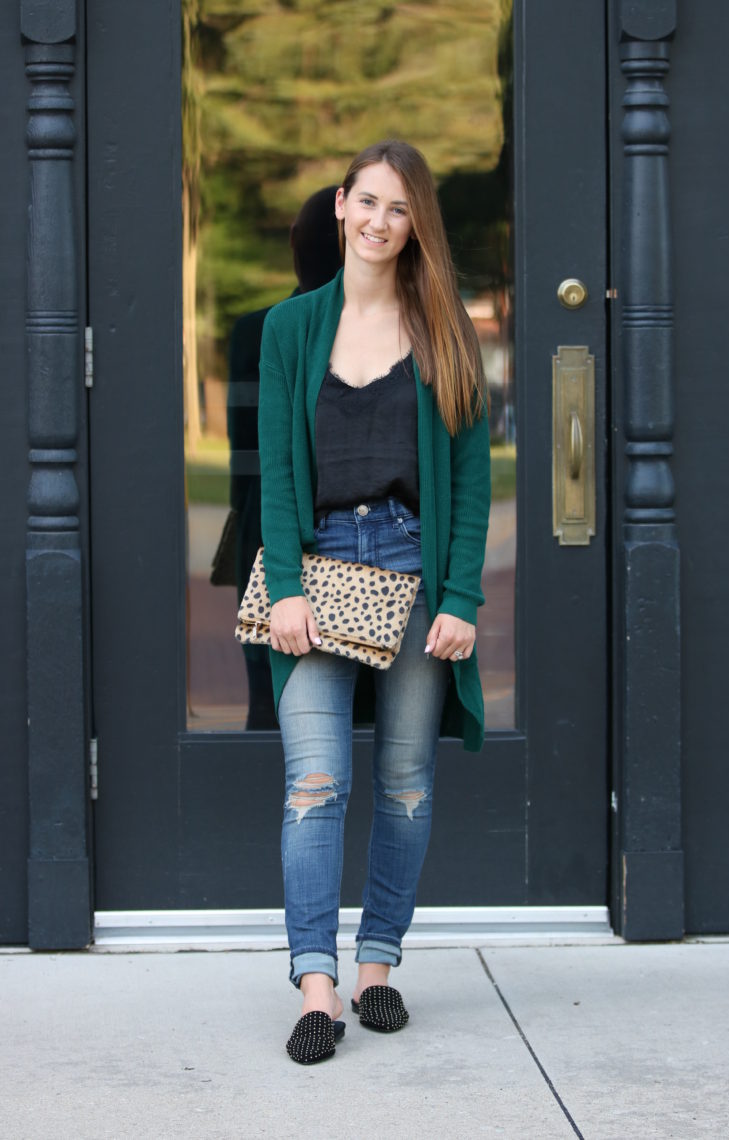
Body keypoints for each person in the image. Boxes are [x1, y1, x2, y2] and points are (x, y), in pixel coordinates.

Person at [257, 140, 491, 1064]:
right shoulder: (291, 328)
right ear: (342, 205)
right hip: (316, 571)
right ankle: (316, 987)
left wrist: (462, 595)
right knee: (315, 785)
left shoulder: (445, 329)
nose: (379, 221)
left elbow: (469, 481)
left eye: (399, 208)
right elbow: (276, 468)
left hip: (412, 566)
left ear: (414, 223)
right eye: (367, 201)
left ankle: (378, 970)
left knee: (404, 784)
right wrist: (281, 587)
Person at [227, 187, 342, 729]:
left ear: (294, 243)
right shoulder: (276, 329)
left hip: (263, 520)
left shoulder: (253, 330)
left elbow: (242, 451)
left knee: (269, 687)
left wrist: (241, 515)